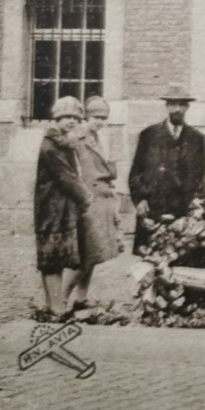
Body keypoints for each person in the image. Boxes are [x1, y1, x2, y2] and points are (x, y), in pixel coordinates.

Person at [128, 85, 205, 254]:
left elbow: (200, 174)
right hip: (153, 207)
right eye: (173, 104)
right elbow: (136, 171)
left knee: (179, 256)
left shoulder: (197, 138)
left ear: (187, 107)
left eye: (181, 105)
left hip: (181, 210)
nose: (177, 109)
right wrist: (140, 199)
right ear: (167, 107)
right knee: (149, 261)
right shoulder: (149, 135)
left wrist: (192, 204)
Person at [34, 96, 91, 317]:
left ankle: (52, 306)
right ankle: (56, 308)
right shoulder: (52, 146)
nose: (71, 121)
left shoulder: (64, 144)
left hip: (60, 208)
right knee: (53, 259)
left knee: (54, 258)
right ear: (56, 119)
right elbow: (66, 177)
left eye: (75, 118)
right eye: (66, 117)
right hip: (52, 209)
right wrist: (86, 197)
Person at [66, 95, 124, 309]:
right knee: (86, 255)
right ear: (86, 116)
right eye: (96, 117)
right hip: (88, 201)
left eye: (103, 117)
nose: (100, 121)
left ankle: (81, 299)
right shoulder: (77, 138)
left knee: (93, 255)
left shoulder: (96, 137)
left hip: (101, 200)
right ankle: (60, 301)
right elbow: (73, 172)